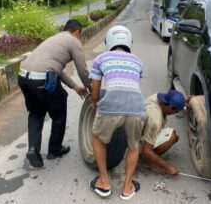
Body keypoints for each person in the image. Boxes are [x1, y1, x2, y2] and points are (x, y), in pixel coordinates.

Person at [18, 19, 91, 168]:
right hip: (42, 79)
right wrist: (91, 88)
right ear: (77, 32)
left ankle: (33, 151)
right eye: (80, 34)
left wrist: (75, 87)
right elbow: (82, 70)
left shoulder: (55, 38)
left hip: (23, 77)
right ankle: (54, 149)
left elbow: (55, 70)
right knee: (59, 110)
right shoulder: (74, 40)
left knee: (36, 113)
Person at [89, 25, 145, 200]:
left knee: (98, 138)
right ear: (129, 42)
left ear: (108, 42)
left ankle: (104, 182)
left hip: (111, 107)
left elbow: (96, 89)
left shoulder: (101, 58)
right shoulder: (138, 61)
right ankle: (127, 187)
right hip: (136, 108)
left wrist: (95, 102)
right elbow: (134, 84)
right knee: (134, 145)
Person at [142, 90, 191, 175]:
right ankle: (148, 161)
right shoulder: (155, 120)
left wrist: (182, 103)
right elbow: (147, 150)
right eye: (175, 112)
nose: (173, 114)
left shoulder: (156, 97)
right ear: (171, 107)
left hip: (139, 129)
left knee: (171, 134)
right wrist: (168, 167)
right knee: (172, 136)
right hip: (138, 141)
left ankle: (150, 157)